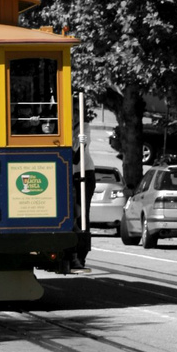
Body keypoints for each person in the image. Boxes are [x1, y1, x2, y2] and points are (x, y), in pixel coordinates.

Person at [72, 96, 96, 269]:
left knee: (82, 213)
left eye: (75, 112)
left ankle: (81, 255)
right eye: (69, 113)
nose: (72, 116)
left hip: (84, 173)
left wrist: (80, 141)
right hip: (68, 174)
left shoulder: (83, 128)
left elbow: (76, 156)